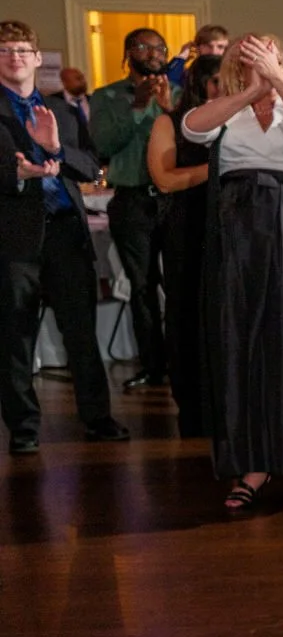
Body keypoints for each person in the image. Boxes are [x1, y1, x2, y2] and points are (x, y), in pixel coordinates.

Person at [180, 34, 283, 511]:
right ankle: (253, 465)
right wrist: (251, 92)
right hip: (238, 234)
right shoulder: (225, 108)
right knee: (243, 345)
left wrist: (278, 82)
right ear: (234, 60)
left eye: (268, 50)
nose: (259, 56)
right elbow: (192, 130)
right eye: (250, 52)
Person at [0, 20, 127, 454]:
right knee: (15, 338)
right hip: (13, 238)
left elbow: (92, 168)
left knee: (82, 334)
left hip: (67, 235)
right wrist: (15, 175)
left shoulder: (66, 112)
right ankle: (24, 428)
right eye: (4, 50)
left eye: (21, 49)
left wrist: (55, 150)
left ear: (37, 58)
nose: (13, 57)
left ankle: (98, 418)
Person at [88, 26, 176, 392]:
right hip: (132, 200)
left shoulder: (180, 93)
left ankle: (184, 361)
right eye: (144, 46)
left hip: (173, 198)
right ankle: (153, 366)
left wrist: (168, 105)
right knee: (141, 287)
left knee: (180, 283)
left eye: (160, 47)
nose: (154, 52)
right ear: (128, 53)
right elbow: (103, 143)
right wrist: (138, 106)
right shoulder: (107, 96)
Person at [146, 52, 224, 439]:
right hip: (187, 228)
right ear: (199, 84)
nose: (223, 89)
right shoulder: (171, 122)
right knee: (186, 314)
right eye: (216, 81)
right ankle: (192, 406)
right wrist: (218, 168)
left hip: (230, 230)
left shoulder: (238, 121)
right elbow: (164, 179)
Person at [165, 24, 228, 89]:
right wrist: (182, 57)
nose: (214, 51)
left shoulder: (230, 73)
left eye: (220, 47)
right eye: (208, 46)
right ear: (197, 47)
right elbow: (167, 84)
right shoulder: (190, 74)